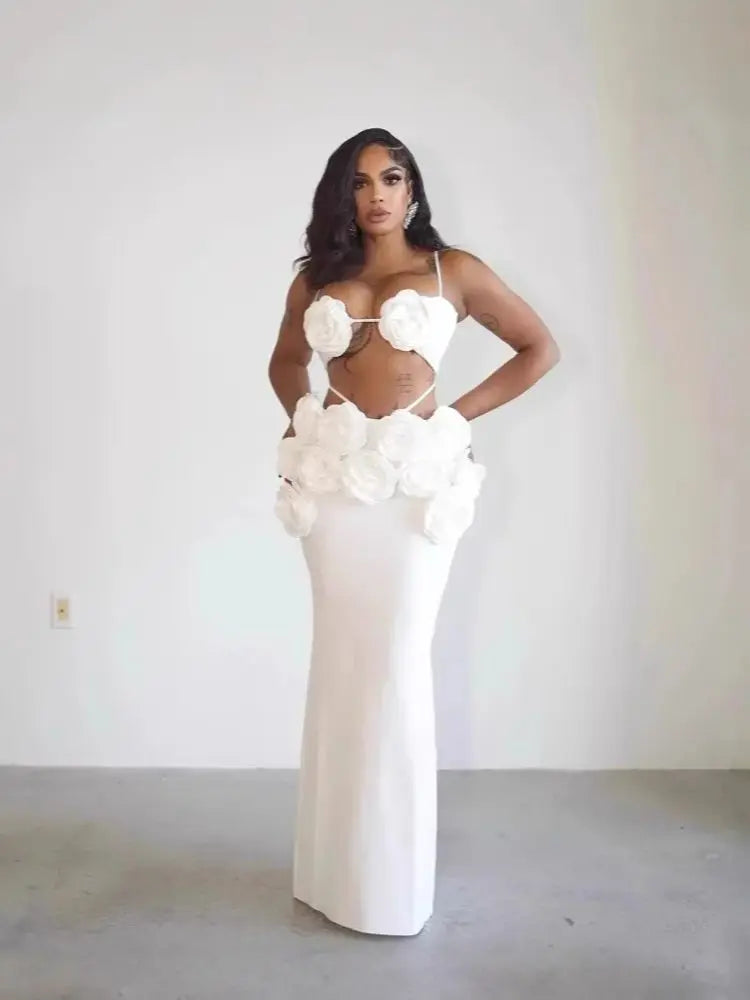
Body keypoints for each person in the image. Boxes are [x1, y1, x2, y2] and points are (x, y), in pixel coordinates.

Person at [267, 127, 560, 936]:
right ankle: (330, 872)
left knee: (396, 663)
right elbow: (285, 361)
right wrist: (303, 419)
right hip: (335, 490)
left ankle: (389, 886)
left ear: (413, 189)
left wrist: (454, 418)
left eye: (391, 178)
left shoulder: (450, 271)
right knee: (342, 663)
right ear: (343, 195)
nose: (377, 195)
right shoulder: (317, 278)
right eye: (360, 182)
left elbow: (538, 348)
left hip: (413, 490)